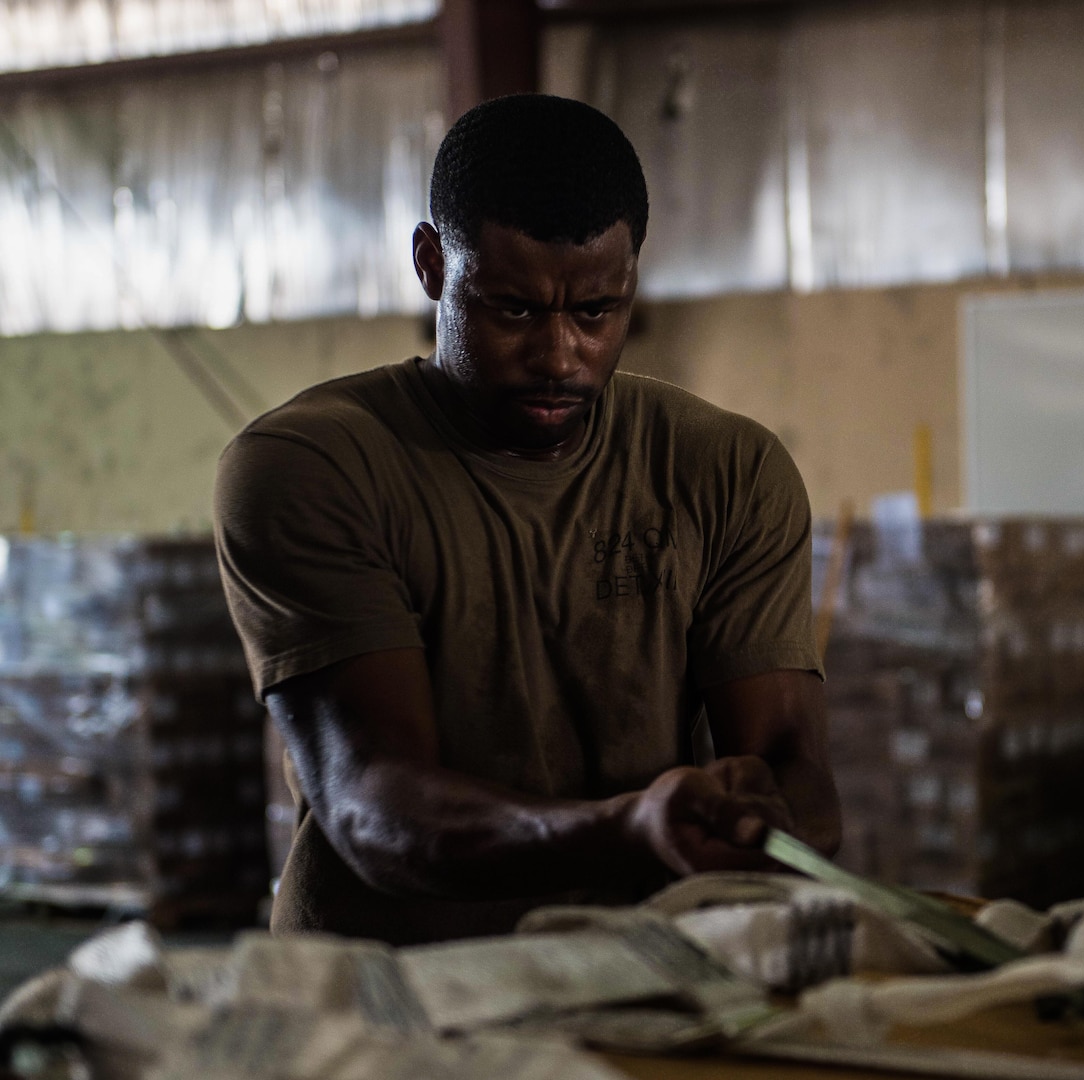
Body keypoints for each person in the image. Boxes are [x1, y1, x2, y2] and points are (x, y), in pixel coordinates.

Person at [214, 94, 840, 946]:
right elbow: (377, 807)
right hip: (383, 1000)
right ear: (432, 263)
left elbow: (797, 777)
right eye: (511, 310)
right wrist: (624, 831)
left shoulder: (726, 470)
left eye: (596, 313)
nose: (559, 357)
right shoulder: (311, 467)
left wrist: (758, 820)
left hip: (641, 980)